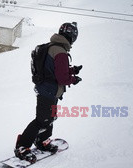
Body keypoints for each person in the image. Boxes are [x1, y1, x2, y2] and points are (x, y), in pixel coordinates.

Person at [14, 22, 83, 163]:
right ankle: (22, 146)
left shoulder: (52, 47)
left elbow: (54, 70)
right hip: (48, 91)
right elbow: (62, 77)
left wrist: (72, 70)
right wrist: (74, 79)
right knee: (41, 120)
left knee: (50, 117)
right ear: (72, 37)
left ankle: (42, 140)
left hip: (47, 89)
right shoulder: (61, 52)